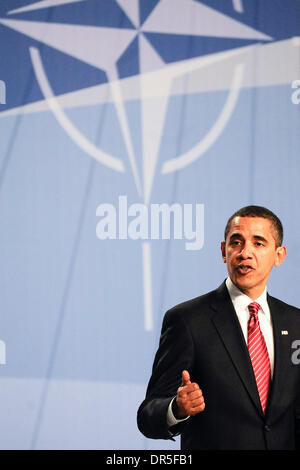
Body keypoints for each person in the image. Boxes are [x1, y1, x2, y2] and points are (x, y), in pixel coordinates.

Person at [137, 205, 300, 450]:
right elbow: (148, 415)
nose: (245, 252)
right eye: (236, 242)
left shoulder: (295, 323)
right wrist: (176, 408)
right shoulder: (187, 320)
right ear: (224, 251)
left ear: (279, 255)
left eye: (258, 243)